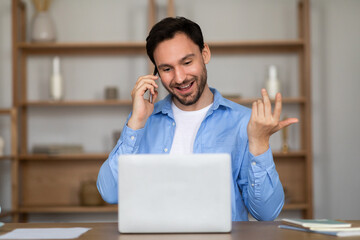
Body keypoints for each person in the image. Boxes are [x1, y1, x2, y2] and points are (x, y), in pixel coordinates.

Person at [97, 16, 298, 221]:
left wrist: (260, 144)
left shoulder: (245, 122)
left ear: (205, 54)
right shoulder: (142, 121)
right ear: (156, 72)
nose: (180, 77)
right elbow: (110, 193)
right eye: (167, 69)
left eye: (187, 62)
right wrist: (136, 123)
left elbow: (267, 213)